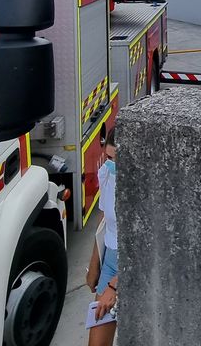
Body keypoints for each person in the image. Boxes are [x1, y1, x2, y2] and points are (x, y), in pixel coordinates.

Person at [87, 136, 119, 345]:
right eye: (108, 157)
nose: (111, 164)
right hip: (110, 257)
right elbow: (105, 220)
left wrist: (114, 287)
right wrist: (94, 265)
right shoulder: (108, 173)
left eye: (117, 160)